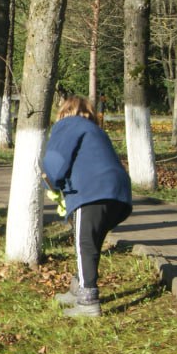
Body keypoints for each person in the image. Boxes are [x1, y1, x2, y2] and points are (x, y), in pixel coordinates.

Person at [41, 95, 132, 318]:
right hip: (119, 194)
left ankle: (88, 303)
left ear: (64, 112)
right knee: (90, 245)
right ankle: (77, 289)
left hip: (91, 192)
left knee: (85, 246)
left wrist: (50, 181)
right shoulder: (96, 131)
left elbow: (55, 160)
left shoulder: (67, 125)